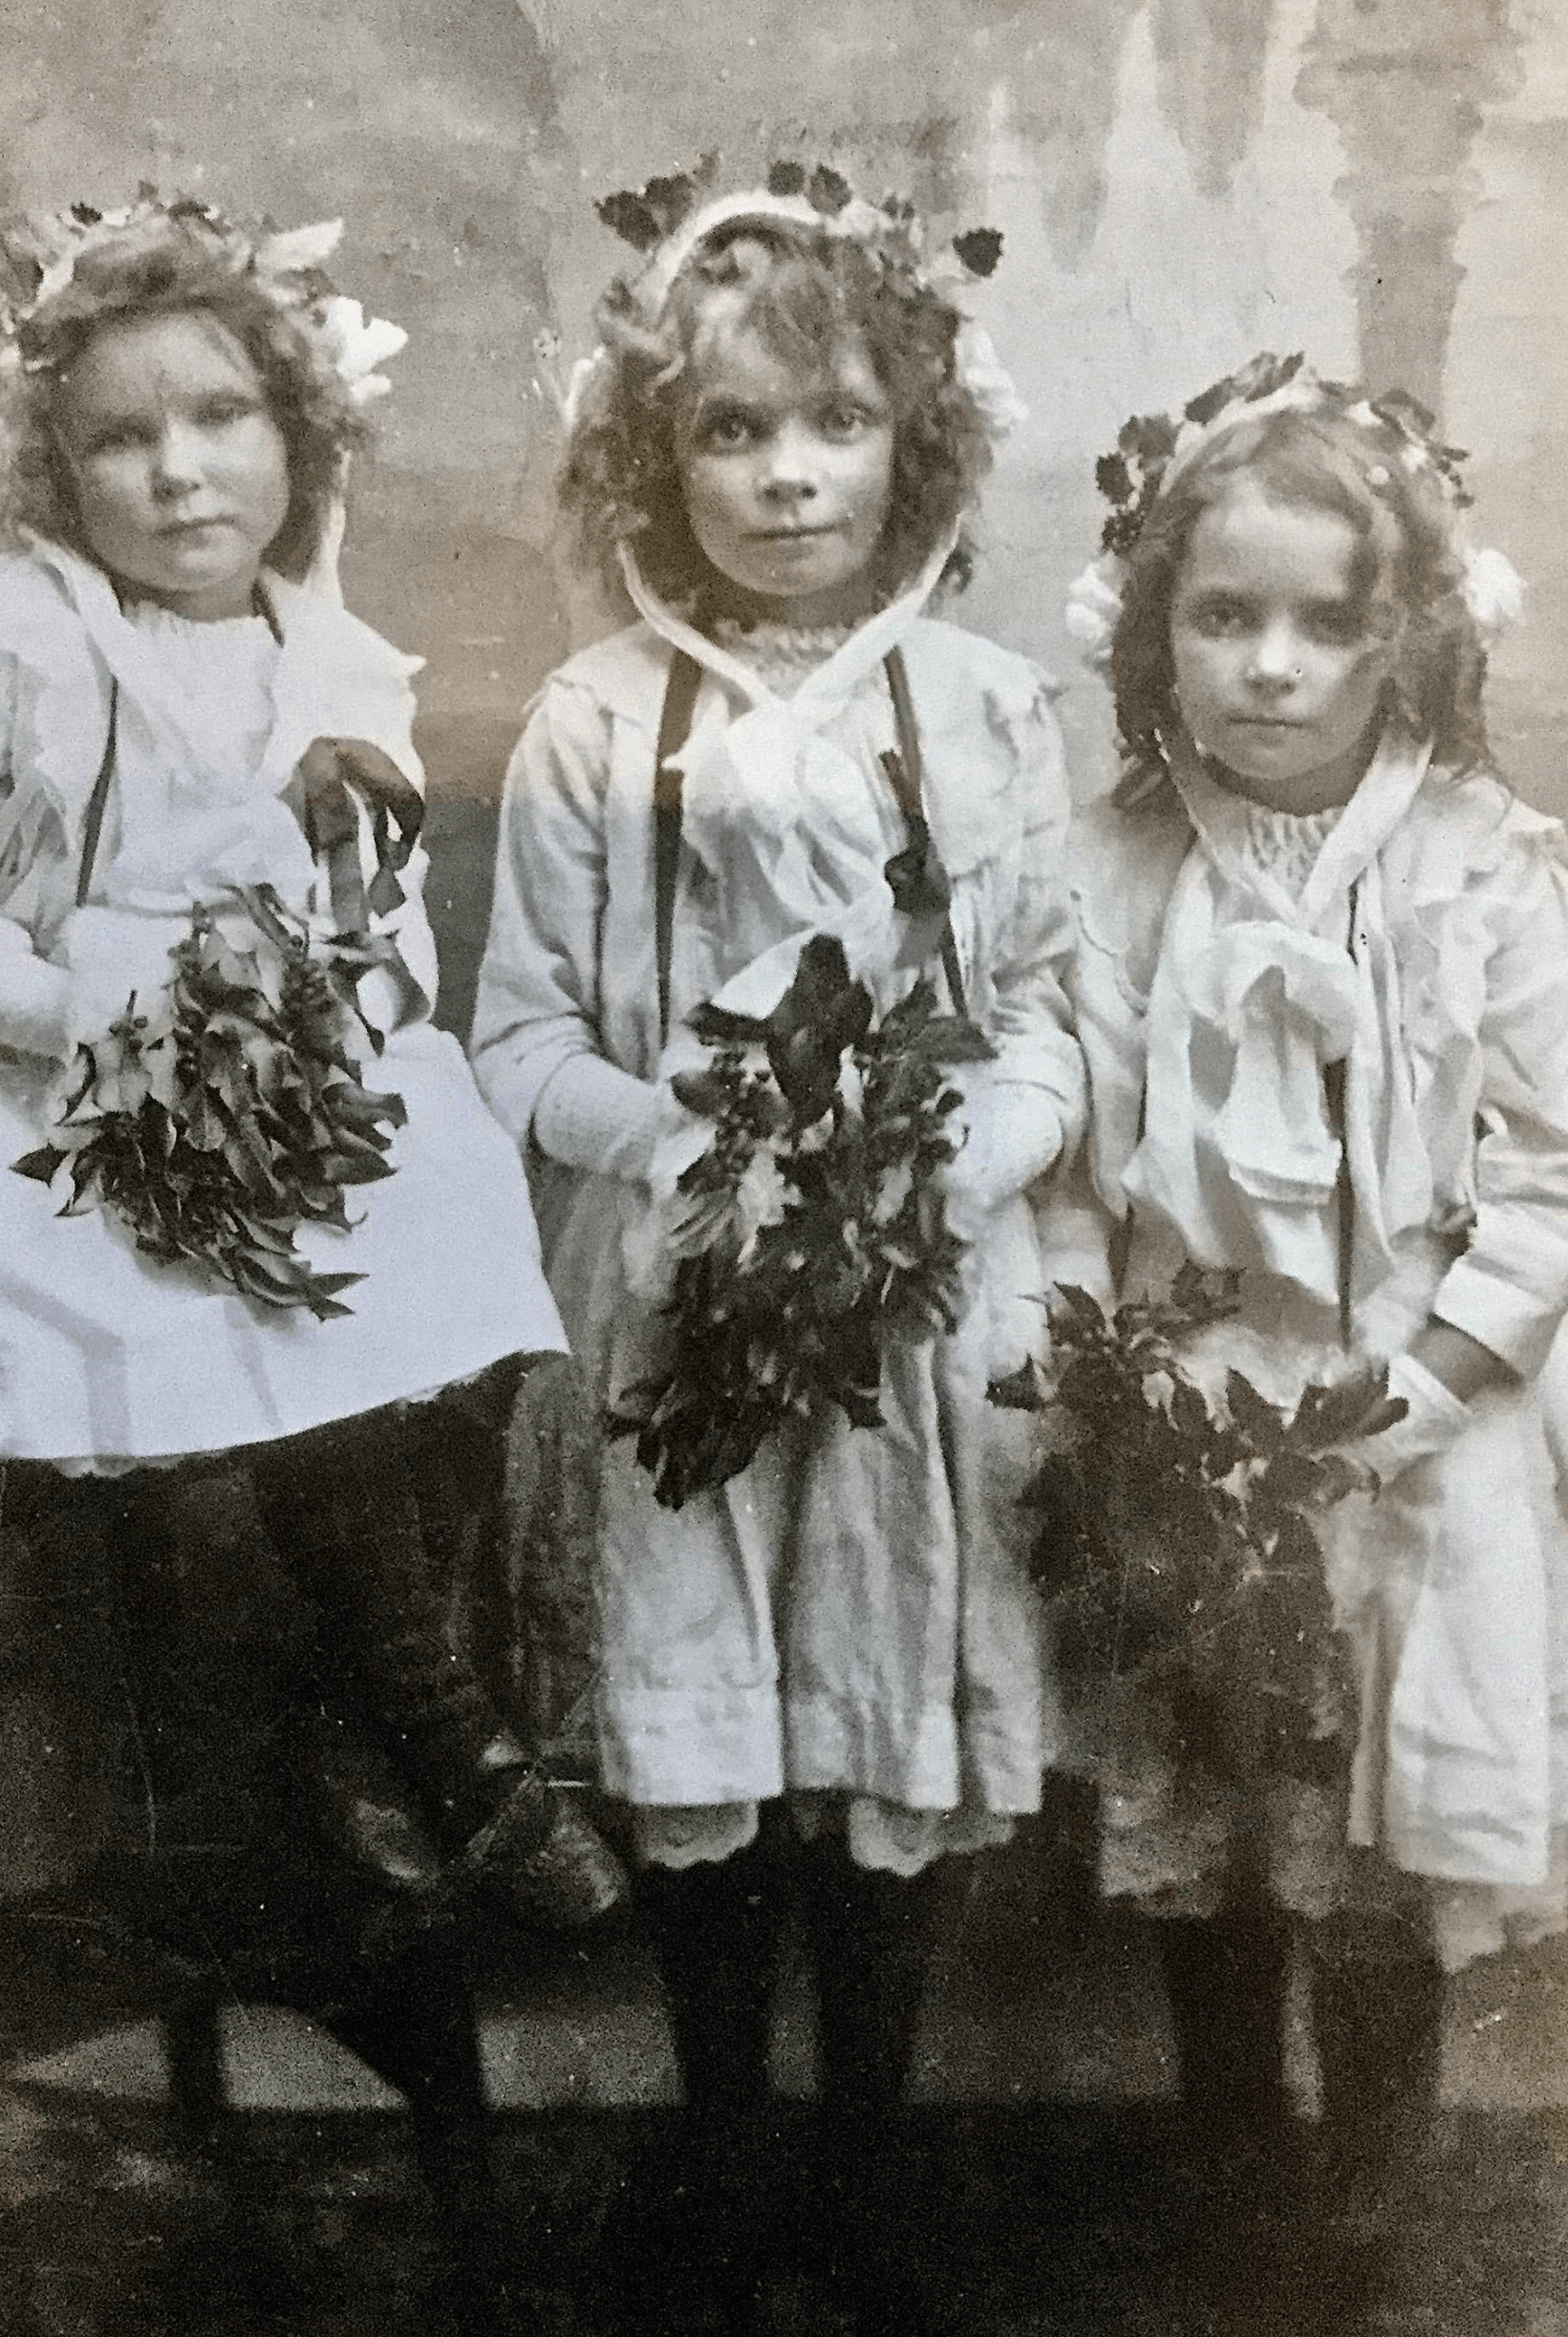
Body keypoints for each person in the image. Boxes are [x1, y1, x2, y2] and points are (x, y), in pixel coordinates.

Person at [0, 189, 623, 1935]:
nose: (180, 473)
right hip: (11, 1091)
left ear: (302, 432)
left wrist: (327, 1016)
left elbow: (380, 934)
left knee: (458, 1199)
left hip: (243, 1059)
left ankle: (353, 1700)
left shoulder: (330, 658)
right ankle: (444, 1734)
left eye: (222, 419)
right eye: (120, 439)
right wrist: (76, 1015)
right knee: (258, 1293)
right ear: (49, 468)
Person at [472, 162, 1084, 2330]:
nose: (786, 471)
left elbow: (1050, 1031)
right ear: (654, 457)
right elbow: (517, 1034)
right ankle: (726, 2129)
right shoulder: (593, 720)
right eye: (726, 430)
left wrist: (937, 1167)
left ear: (914, 432)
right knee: (706, 1706)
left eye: (828, 416)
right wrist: (682, 1147)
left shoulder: (990, 713)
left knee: (890, 1685)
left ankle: (873, 2145)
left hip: (917, 1300)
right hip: (676, 1296)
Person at [1051, 354, 1568, 2312]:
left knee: (1388, 1827)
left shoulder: (1486, 864)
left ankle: (1377, 2196)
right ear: (1159, 630)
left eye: (1328, 620)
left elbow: (1558, 1184)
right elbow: (1067, 1148)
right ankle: (1237, 2153)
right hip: (1197, 1395)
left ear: (1405, 635)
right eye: (1224, 616)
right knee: (1221, 1794)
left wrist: (1410, 1389)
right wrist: (1114, 1373)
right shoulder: (1119, 864)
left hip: (1423, 1407)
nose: (1274, 665)